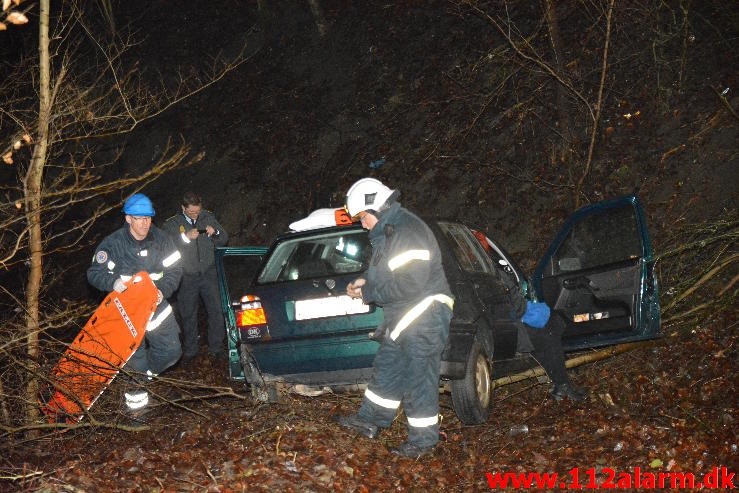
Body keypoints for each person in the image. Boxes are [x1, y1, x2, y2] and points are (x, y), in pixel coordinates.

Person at [335, 177, 454, 458]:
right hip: (405, 315)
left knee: (419, 378)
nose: (361, 223)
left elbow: (409, 284)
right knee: (387, 368)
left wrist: (369, 293)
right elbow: (385, 274)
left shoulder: (407, 231)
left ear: (376, 208)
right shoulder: (388, 233)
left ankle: (423, 443)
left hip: (425, 312)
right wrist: (365, 282)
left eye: (363, 217)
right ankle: (370, 421)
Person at [87, 193, 183, 419]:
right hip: (125, 312)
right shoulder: (113, 244)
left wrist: (162, 291)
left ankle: (142, 377)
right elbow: (94, 273)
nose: (145, 223)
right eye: (139, 218)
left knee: (172, 351)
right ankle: (137, 418)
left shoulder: (162, 240)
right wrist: (113, 282)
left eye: (148, 218)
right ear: (128, 218)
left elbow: (175, 270)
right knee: (135, 361)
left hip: (156, 306)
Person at [163, 191, 229, 365]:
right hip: (186, 277)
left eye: (197, 211)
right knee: (188, 314)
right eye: (191, 212)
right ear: (183, 208)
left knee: (216, 311)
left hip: (208, 273)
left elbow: (223, 239)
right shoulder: (172, 224)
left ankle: (216, 348)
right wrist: (185, 237)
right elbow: (165, 245)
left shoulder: (208, 217)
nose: (195, 214)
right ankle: (191, 350)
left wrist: (214, 233)